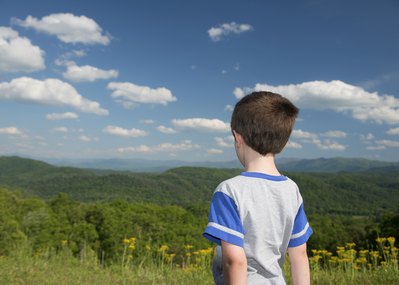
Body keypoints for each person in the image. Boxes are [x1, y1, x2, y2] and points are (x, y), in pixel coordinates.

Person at [202, 91, 313, 285]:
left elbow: (234, 261)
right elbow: (300, 254)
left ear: (238, 138)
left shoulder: (228, 191)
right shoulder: (292, 189)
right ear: (284, 144)